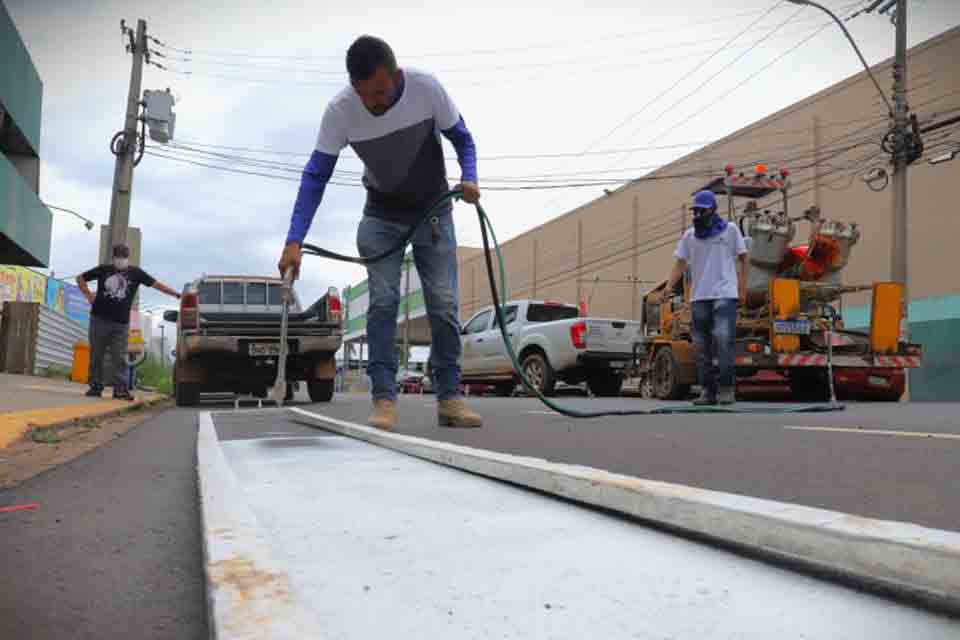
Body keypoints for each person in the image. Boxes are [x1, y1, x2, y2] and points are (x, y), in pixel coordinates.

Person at [278, 35, 482, 431]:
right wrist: (294, 240)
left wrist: (469, 177)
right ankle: (384, 399)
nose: (377, 103)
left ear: (397, 75)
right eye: (368, 96)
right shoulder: (340, 111)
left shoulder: (427, 89)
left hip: (434, 209)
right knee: (384, 302)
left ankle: (450, 399)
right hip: (381, 215)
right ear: (355, 88)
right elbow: (315, 175)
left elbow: (463, 139)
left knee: (443, 303)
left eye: (383, 92)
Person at [664, 190, 748, 406]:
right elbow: (680, 263)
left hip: (725, 293)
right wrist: (669, 286)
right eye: (695, 211)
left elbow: (743, 258)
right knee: (701, 345)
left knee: (722, 338)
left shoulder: (730, 230)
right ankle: (707, 391)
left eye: (702, 210)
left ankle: (727, 388)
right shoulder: (689, 236)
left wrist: (742, 286)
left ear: (712, 210)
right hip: (699, 296)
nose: (697, 215)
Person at [77, 244, 181, 400]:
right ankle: (95, 387)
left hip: (121, 323)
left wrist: (176, 295)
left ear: (128, 258)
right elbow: (80, 278)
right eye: (118, 258)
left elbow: (156, 284)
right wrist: (88, 296)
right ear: (113, 258)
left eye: (124, 258)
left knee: (119, 356)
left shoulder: (136, 273)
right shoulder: (103, 269)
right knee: (96, 354)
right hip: (99, 319)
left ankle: (120, 389)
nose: (121, 261)